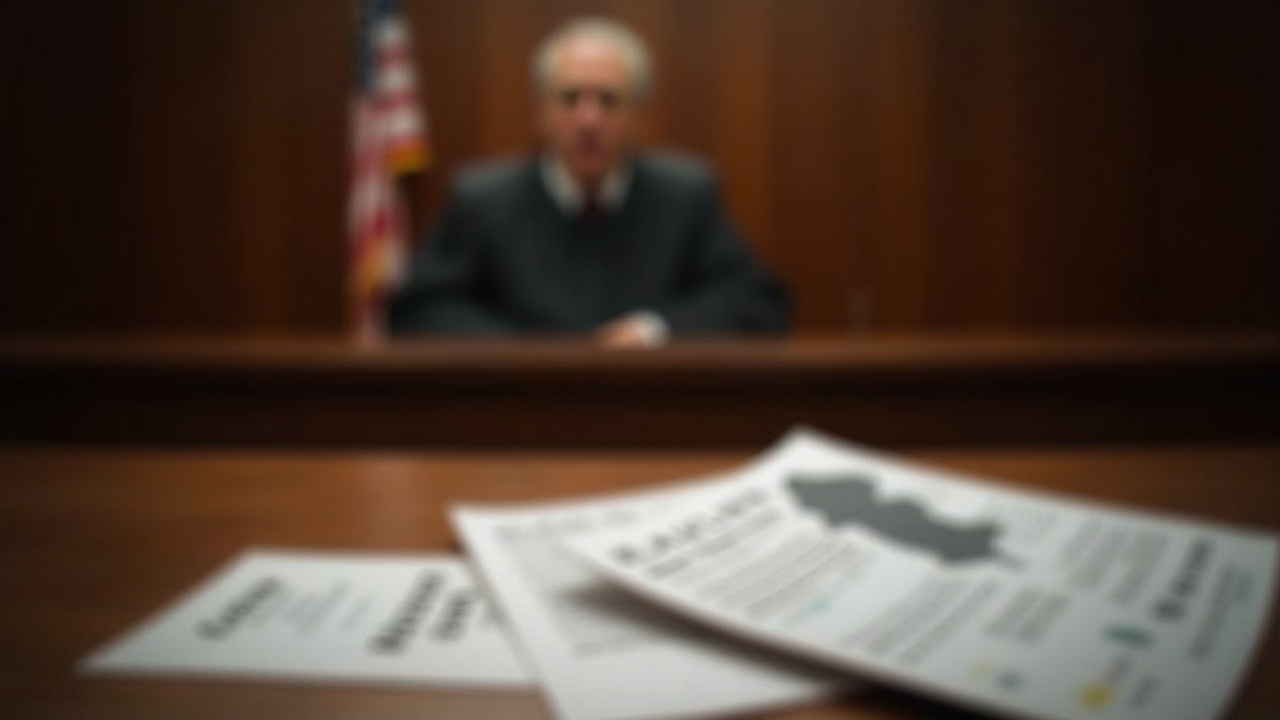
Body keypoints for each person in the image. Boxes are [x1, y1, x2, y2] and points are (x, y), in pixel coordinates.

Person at [387, 17, 789, 348]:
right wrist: (523, 351)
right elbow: (420, 308)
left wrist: (654, 330)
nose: (588, 120)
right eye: (570, 98)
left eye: (609, 100)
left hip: (650, 415)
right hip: (519, 415)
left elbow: (756, 301)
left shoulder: (685, 195)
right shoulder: (483, 198)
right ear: (541, 113)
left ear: (638, 118)